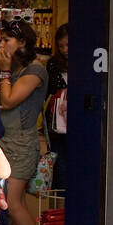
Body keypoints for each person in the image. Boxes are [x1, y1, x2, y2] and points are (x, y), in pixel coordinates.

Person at [0, 20, 49, 225]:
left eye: (7, 40)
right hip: (9, 141)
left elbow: (9, 99)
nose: (2, 45)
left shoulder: (35, 71)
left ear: (23, 42)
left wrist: (3, 71)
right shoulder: (22, 68)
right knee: (17, 201)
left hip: (22, 144)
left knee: (12, 201)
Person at [45, 23, 69, 191]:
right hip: (57, 123)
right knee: (60, 164)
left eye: (68, 45)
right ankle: (60, 204)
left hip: (76, 121)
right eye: (61, 46)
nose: (65, 50)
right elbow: (49, 90)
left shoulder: (87, 62)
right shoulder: (53, 64)